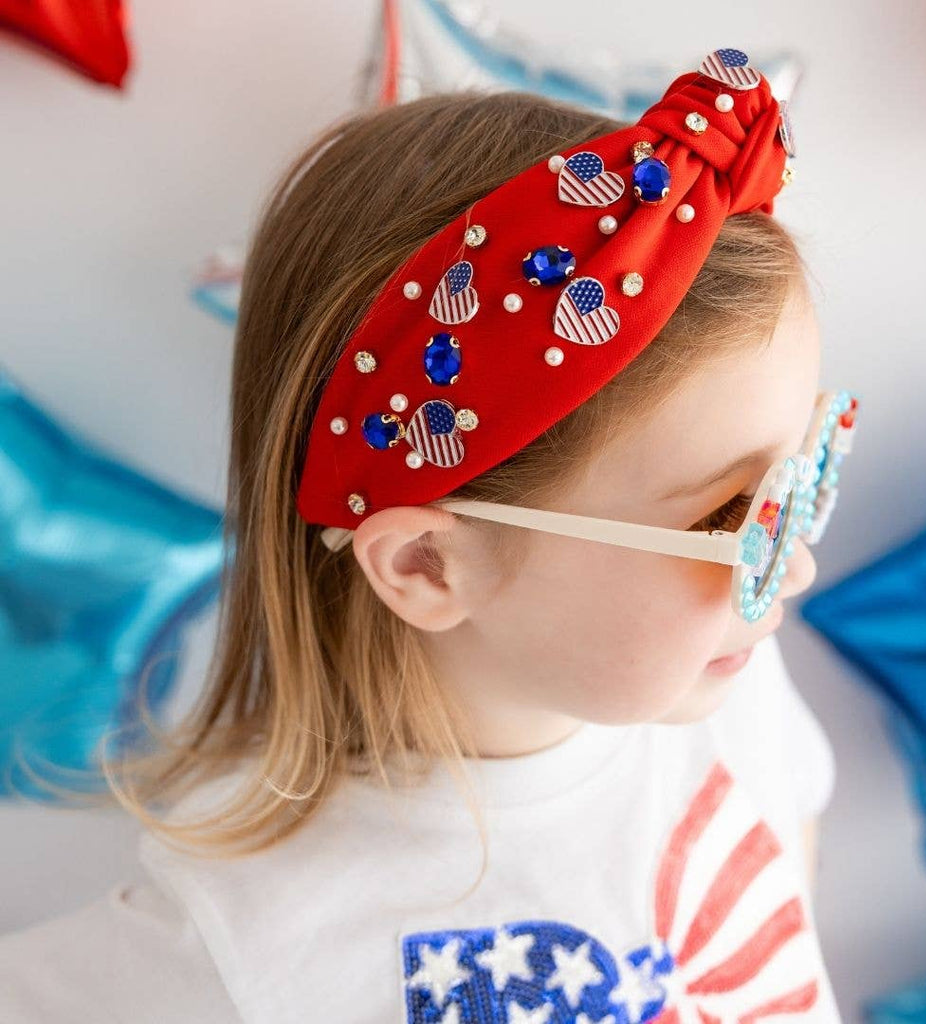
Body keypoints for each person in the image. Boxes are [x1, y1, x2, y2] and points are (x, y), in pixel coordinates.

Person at [0, 49, 854, 1022]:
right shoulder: (239, 943)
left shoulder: (733, 694)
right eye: (728, 517)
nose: (799, 565)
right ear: (425, 563)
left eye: (810, 466)